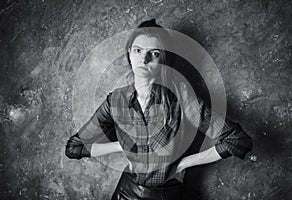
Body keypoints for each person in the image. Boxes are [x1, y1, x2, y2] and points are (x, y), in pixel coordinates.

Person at [65, 19, 253, 200]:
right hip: (126, 191)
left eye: (153, 53)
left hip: (166, 195)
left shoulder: (181, 97)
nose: (144, 59)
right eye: (138, 50)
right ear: (129, 53)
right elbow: (75, 147)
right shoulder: (115, 101)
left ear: (163, 58)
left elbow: (236, 141)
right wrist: (120, 146)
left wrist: (182, 164)